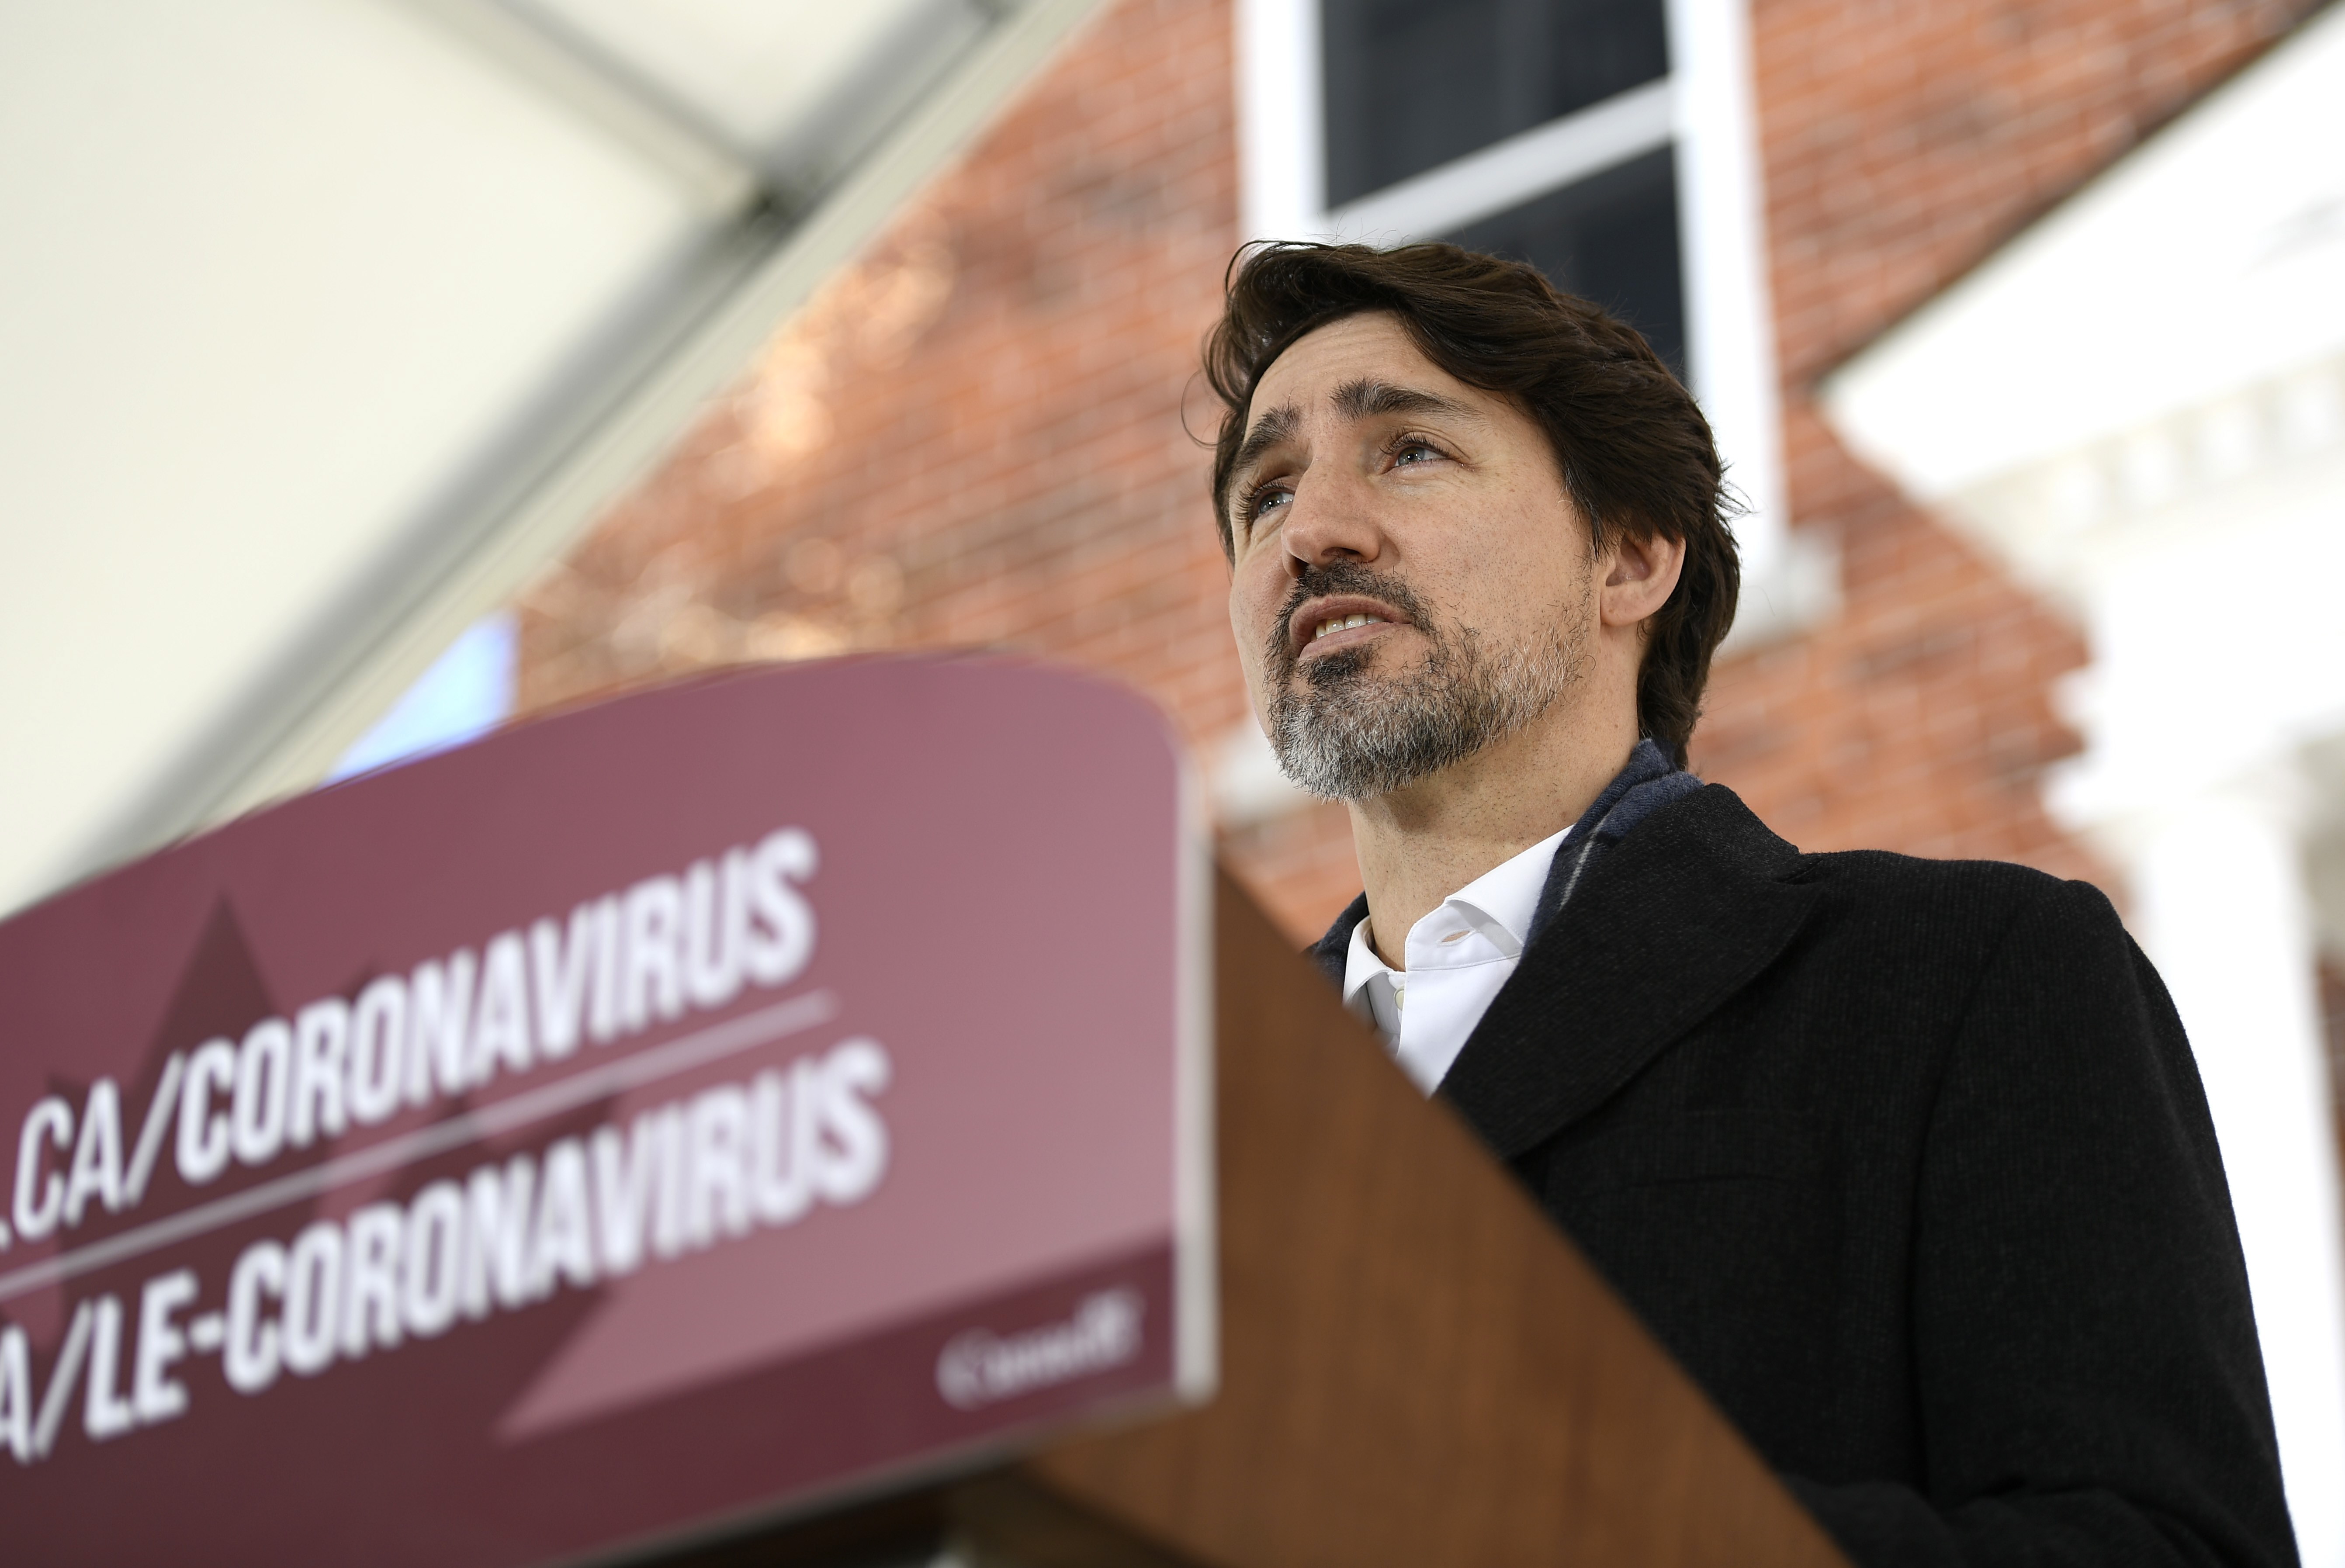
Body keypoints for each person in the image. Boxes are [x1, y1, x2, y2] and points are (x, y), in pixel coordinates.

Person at [1206, 240, 2298, 1568]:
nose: (1311, 532)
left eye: (1410, 452)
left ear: (1629, 557)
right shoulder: (1175, 1135)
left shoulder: (1970, 977)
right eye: (1266, 492)